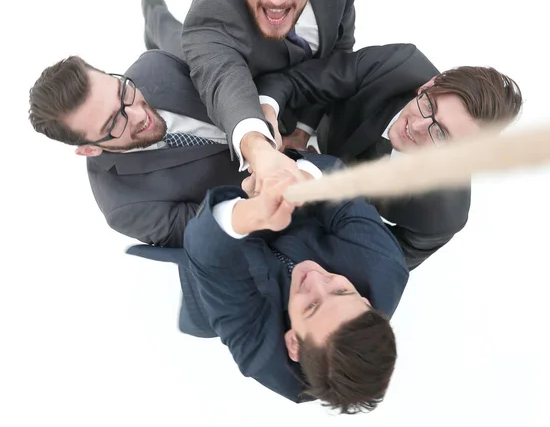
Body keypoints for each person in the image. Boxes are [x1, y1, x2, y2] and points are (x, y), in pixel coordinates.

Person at [127, 158, 409, 413]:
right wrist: (293, 178)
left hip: (209, 275)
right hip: (292, 217)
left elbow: (207, 256)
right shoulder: (382, 263)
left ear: (293, 343)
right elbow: (337, 180)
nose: (315, 278)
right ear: (366, 303)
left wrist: (252, 211)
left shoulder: (261, 355)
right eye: (341, 290)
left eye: (311, 306)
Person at [143, 0, 362, 188]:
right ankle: (154, 14)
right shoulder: (212, 12)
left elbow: (337, 52)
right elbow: (223, 81)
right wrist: (258, 149)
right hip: (233, 61)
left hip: (291, 83)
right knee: (176, 44)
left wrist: (302, 130)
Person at [255, 45, 523, 268]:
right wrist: (273, 132)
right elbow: (295, 81)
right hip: (301, 139)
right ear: (429, 84)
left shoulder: (443, 215)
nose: (416, 127)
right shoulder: (397, 66)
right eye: (429, 105)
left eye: (441, 135)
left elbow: (378, 264)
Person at [28, 49, 310, 247]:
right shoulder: (125, 207)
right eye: (114, 122)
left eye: (122, 92)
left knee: (172, 30)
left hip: (290, 119)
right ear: (89, 150)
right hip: (291, 205)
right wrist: (250, 202)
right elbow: (207, 234)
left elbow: (242, 73)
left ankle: (155, 15)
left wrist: (277, 126)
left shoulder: (158, 65)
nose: (138, 115)